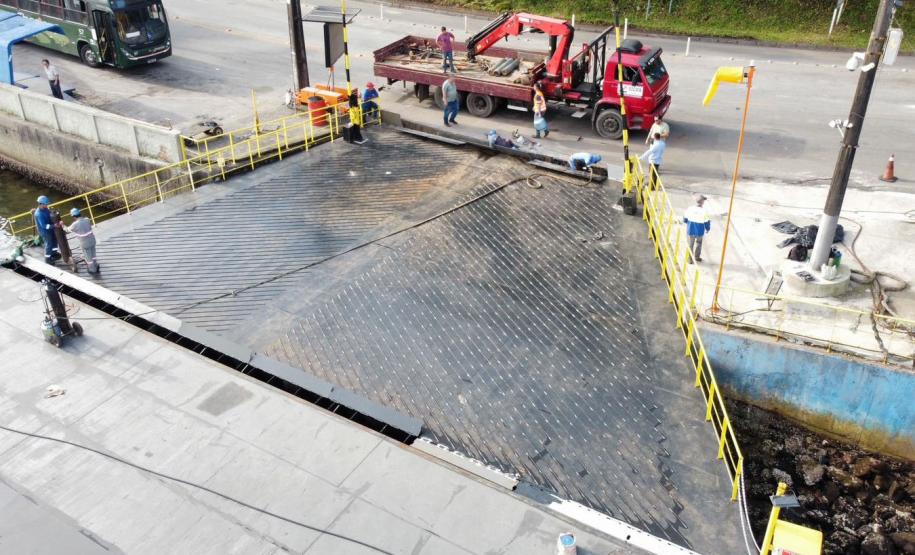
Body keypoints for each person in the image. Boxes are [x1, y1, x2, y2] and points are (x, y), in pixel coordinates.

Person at [66, 208, 99, 273]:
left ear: (73, 216)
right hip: (92, 240)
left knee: (88, 256)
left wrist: (62, 225)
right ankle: (96, 265)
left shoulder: (75, 224)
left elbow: (67, 230)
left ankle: (92, 269)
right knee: (93, 253)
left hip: (85, 243)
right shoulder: (87, 219)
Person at [33, 195, 60, 264]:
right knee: (49, 244)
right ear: (41, 204)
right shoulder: (38, 214)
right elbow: (44, 226)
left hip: (51, 229)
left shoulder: (45, 209)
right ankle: (47, 258)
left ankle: (54, 253)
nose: (47, 205)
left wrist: (54, 214)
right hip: (45, 232)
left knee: (54, 240)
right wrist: (54, 225)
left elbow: (49, 215)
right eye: (46, 204)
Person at [684, 194, 711, 263]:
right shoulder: (705, 211)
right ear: (702, 202)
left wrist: (687, 222)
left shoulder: (690, 208)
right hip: (699, 231)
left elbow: (685, 218)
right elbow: (707, 221)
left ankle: (690, 260)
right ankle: (697, 257)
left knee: (690, 244)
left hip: (690, 229)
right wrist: (708, 229)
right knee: (699, 243)